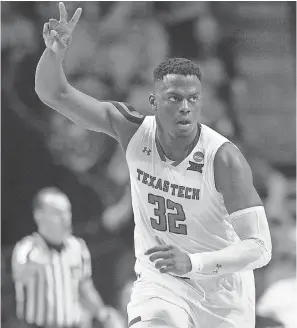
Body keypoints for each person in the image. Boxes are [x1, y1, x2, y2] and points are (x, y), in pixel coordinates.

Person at [35, 3, 272, 327]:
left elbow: (260, 248)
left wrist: (192, 262)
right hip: (161, 286)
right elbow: (54, 93)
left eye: (193, 99)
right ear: (154, 102)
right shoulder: (132, 129)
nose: (185, 108)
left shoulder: (224, 159)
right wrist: (54, 53)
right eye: (175, 98)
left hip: (220, 294)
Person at [11, 187, 124, 328]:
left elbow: (85, 287)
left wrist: (103, 314)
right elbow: (19, 278)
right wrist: (40, 259)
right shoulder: (26, 248)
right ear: (39, 215)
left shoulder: (77, 246)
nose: (65, 218)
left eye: (67, 212)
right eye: (57, 213)